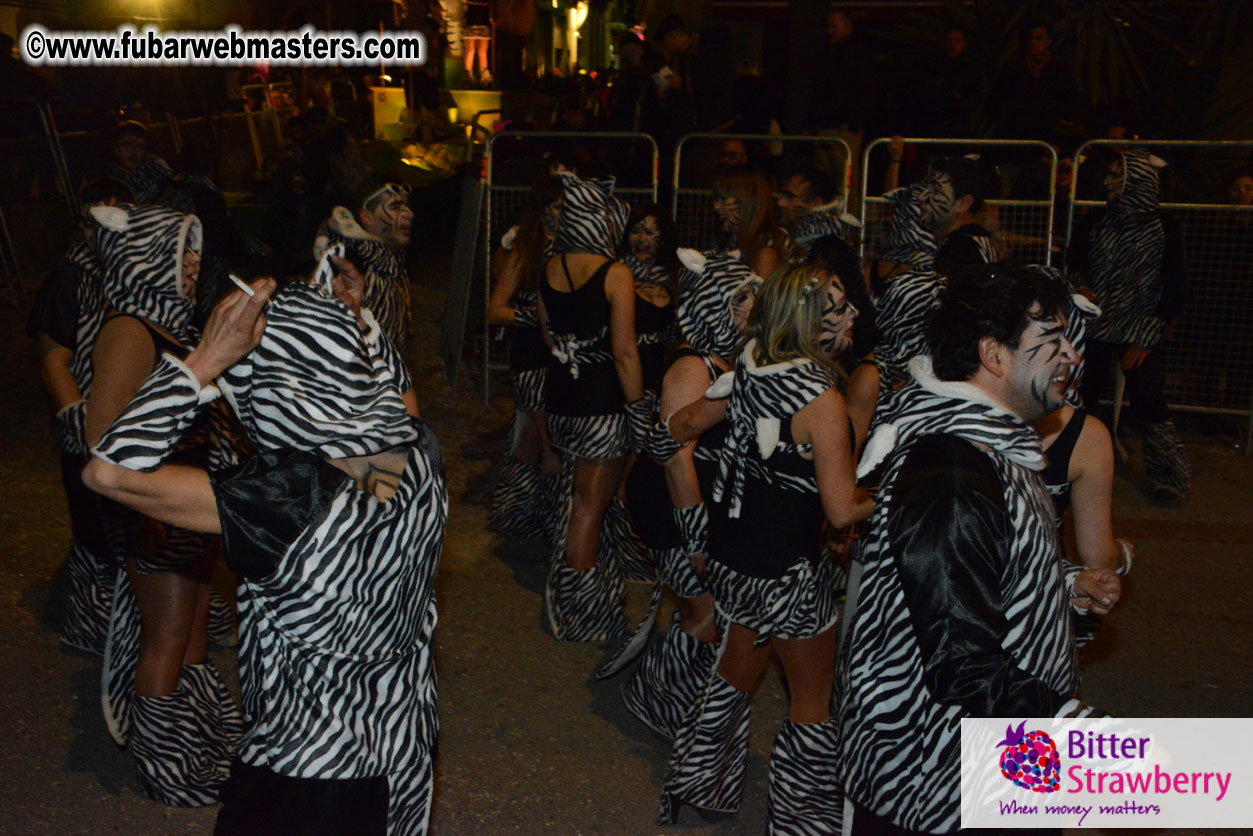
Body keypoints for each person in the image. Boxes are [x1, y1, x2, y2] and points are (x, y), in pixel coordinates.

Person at [82, 244, 444, 835]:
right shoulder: (415, 451)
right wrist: (357, 323)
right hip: (403, 748)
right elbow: (394, 396)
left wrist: (203, 361)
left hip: (308, 769)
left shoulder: (283, 498)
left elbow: (108, 472)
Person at [836, 265, 1121, 835]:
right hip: (934, 781)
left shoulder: (993, 447)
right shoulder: (954, 468)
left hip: (987, 759)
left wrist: (1063, 586)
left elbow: (976, 567)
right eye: (1053, 340)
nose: (1072, 356)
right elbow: (959, 655)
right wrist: (1086, 737)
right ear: (993, 354)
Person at [658, 263, 871, 833]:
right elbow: (841, 510)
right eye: (839, 308)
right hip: (787, 573)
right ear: (808, 321)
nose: (853, 315)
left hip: (733, 560)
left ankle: (695, 782)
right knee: (812, 701)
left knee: (735, 674)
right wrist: (889, 495)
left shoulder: (748, 370)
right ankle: (803, 821)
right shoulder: (822, 399)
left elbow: (679, 425)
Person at [83, 202, 243, 806]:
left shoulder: (171, 326)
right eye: (180, 249)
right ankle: (165, 767)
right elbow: (101, 439)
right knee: (167, 636)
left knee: (193, 627)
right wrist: (142, 510)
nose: (194, 262)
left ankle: (197, 741)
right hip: (152, 512)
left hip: (183, 505)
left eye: (195, 249)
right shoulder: (130, 330)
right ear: (143, 256)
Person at [617, 248, 762, 736]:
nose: (751, 308)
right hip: (669, 504)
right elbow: (676, 459)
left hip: (689, 503)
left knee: (709, 610)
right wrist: (697, 537)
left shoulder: (725, 360)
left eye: (752, 297)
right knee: (706, 613)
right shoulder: (694, 367)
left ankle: (672, 702)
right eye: (739, 299)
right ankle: (653, 701)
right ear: (709, 303)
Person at [25, 177, 132, 655]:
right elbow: (54, 361)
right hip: (91, 431)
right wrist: (80, 425)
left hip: (126, 427)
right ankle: (95, 628)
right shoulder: (69, 279)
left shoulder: (127, 275)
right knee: (96, 536)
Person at [537, 173, 646, 642]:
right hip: (602, 403)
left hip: (561, 397)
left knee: (576, 499)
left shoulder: (548, 266)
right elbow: (625, 352)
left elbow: (548, 337)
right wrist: (638, 409)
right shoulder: (616, 273)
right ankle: (579, 608)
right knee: (589, 507)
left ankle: (577, 584)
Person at [1068, 150, 1191, 503]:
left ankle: (1169, 478)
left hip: (1139, 328)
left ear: (1138, 181)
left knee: (1149, 400)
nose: (1108, 183)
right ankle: (1074, 467)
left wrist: (1147, 337)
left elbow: (1176, 285)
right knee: (1081, 398)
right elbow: (1074, 262)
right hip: (1094, 325)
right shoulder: (1096, 221)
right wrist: (1080, 287)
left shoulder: (1165, 228)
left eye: (1117, 177)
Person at [488, 178, 564, 540]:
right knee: (534, 432)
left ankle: (548, 516)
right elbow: (495, 310)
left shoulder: (573, 250)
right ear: (544, 211)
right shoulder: (526, 251)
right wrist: (534, 317)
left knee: (554, 435)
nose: (566, 213)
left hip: (560, 354)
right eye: (559, 206)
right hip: (532, 354)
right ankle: (517, 512)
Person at [314, 175, 415, 356]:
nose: (409, 214)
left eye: (406, 205)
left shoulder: (391, 264)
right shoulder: (348, 268)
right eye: (395, 206)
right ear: (367, 217)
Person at [919, 155, 1006, 276]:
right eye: (925, 188)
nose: (921, 197)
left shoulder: (960, 250)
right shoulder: (977, 241)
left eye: (936, 191)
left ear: (963, 203)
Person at [712, 168, 791, 277]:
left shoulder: (767, 254)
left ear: (748, 201)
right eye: (716, 200)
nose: (716, 207)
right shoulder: (729, 241)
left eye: (723, 199)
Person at [776, 165, 862, 258]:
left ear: (816, 203)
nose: (780, 203)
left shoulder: (818, 240)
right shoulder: (831, 231)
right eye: (783, 195)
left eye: (790, 196)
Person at [109, 121, 174, 205]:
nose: (133, 152)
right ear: (116, 149)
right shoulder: (112, 180)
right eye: (127, 145)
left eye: (140, 146)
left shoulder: (155, 165)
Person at [463, 0, 493, 86]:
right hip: (473, 22)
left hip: (480, 22)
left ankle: (481, 75)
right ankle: (469, 75)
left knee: (480, 51)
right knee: (472, 51)